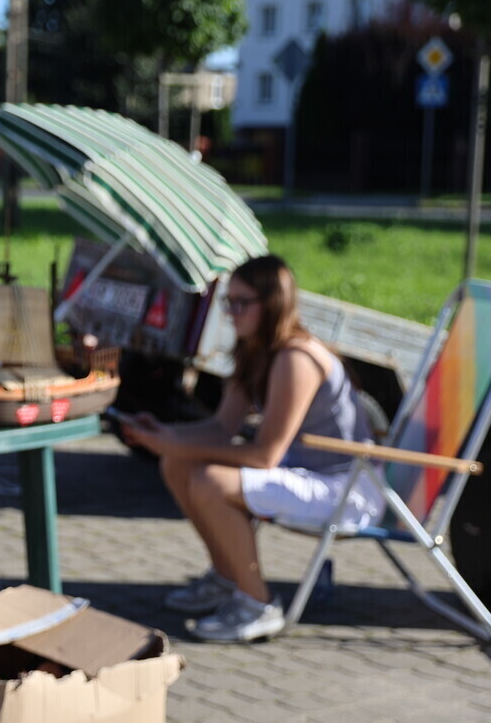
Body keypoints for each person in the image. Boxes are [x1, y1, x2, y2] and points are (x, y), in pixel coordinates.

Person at [121, 255, 381, 644]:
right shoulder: (256, 350)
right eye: (229, 302)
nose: (231, 313)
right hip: (308, 474)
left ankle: (258, 604)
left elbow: (265, 456)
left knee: (210, 480)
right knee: (176, 463)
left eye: (242, 303)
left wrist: (171, 442)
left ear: (272, 304)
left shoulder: (296, 358)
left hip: (346, 488)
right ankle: (227, 579)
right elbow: (222, 427)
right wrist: (166, 435)